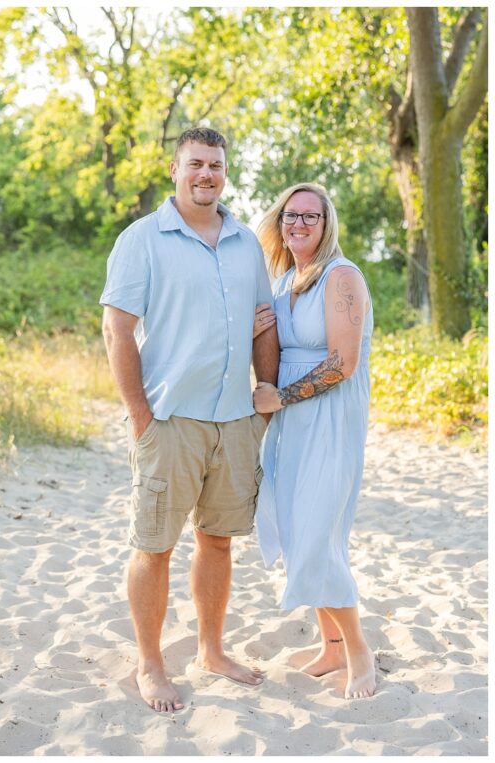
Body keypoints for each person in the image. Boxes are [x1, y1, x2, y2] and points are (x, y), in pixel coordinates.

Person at [100, 126, 280, 712]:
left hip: (235, 421)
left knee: (218, 542)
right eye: (196, 164)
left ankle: (211, 650)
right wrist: (140, 415)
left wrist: (264, 394)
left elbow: (263, 322)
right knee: (154, 546)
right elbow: (117, 330)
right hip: (170, 420)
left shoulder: (246, 242)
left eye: (216, 165)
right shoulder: (142, 239)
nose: (207, 174)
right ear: (175, 169)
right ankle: (150, 664)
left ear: (225, 173)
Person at [252, 182, 376, 700]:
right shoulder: (285, 281)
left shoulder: (340, 276)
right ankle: (331, 646)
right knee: (298, 529)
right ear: (280, 223)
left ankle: (359, 652)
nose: (299, 223)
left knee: (318, 535)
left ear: (327, 225)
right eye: (291, 215)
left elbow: (342, 363)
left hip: (329, 417)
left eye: (310, 216)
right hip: (291, 423)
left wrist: (280, 397)